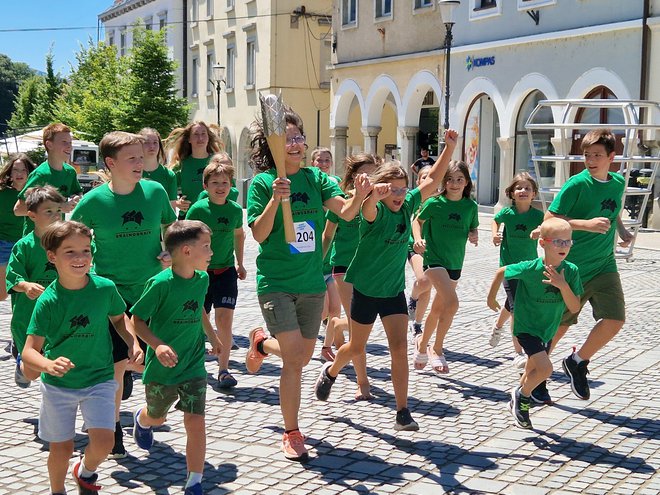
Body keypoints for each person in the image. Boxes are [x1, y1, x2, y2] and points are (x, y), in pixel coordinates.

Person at [244, 106, 371, 461]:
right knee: (296, 363)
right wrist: (275, 199)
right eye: (288, 139)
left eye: (299, 137)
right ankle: (292, 430)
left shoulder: (316, 179)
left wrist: (359, 196)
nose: (296, 144)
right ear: (273, 146)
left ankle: (261, 344)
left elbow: (345, 212)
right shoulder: (262, 183)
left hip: (312, 282)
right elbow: (258, 232)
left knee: (299, 355)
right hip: (276, 283)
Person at [314, 129, 459, 433]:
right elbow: (365, 209)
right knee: (355, 346)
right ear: (380, 190)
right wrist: (369, 195)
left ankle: (402, 411)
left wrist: (449, 147)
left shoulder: (407, 205)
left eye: (402, 189)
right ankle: (331, 371)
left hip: (393, 292)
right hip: (365, 291)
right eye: (390, 189)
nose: (397, 195)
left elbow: (432, 181)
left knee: (399, 349)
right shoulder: (373, 211)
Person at [72, 130, 175, 458]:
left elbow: (170, 228)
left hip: (151, 290)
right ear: (111, 163)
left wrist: (170, 252)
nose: (140, 162)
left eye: (141, 156)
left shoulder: (156, 192)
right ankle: (113, 427)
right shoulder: (93, 202)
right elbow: (72, 239)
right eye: (131, 158)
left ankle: (144, 416)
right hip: (111, 293)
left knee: (156, 364)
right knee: (118, 363)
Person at [21, 220, 139, 495]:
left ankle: (84, 471)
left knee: (104, 442)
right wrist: (48, 364)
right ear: (52, 256)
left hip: (99, 378)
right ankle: (57, 490)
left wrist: (132, 343)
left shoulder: (105, 288)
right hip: (59, 386)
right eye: (70, 252)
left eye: (86, 250)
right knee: (61, 449)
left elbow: (120, 318)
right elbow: (29, 351)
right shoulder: (48, 300)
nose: (80, 258)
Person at [131, 220, 222, 495]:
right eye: (206, 246)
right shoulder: (160, 284)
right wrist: (157, 346)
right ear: (185, 250)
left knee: (195, 422)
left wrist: (212, 336)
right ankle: (143, 420)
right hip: (162, 367)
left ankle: (194, 481)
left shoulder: (203, 279)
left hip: (193, 363)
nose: (211, 252)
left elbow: (198, 310)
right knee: (158, 417)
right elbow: (137, 320)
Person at [545, 128, 628, 401]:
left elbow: (610, 211)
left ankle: (577, 361)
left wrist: (622, 231)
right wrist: (585, 225)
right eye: (586, 154)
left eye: (597, 155)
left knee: (615, 319)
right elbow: (549, 219)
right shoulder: (576, 185)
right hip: (573, 267)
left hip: (605, 265)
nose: (590, 160)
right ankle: (535, 377)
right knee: (558, 327)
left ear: (611, 157)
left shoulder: (617, 182)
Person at [487, 217, 582, 429]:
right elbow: (501, 272)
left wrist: (563, 285)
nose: (563, 246)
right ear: (543, 243)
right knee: (545, 370)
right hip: (526, 328)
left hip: (547, 330)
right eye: (557, 241)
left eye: (568, 241)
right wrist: (491, 297)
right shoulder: (531, 268)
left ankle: (518, 398)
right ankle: (523, 396)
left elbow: (574, 307)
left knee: (532, 372)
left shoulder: (572, 271)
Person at [321, 152, 380, 398]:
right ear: (354, 177)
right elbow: (327, 235)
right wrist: (317, 264)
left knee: (366, 323)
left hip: (371, 268)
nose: (369, 179)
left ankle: (335, 323)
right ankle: (362, 382)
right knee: (359, 334)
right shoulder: (341, 202)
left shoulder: (380, 203)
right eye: (364, 174)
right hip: (344, 267)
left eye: (373, 174)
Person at [412, 160, 478, 374]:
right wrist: (418, 239)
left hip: (455, 263)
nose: (455, 183)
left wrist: (474, 234)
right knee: (452, 303)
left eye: (460, 179)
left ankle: (422, 345)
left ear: (467, 182)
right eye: (450, 179)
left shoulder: (471, 206)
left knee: (439, 308)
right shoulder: (435, 203)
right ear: (444, 182)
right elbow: (416, 221)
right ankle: (436, 348)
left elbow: (472, 227)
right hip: (434, 259)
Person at [186, 156, 246, 388]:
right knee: (199, 319)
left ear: (231, 185)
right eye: (215, 183)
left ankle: (224, 369)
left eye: (224, 183)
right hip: (201, 273)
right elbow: (185, 238)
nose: (220, 187)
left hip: (226, 271)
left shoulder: (233, 210)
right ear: (205, 186)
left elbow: (239, 235)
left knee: (225, 320)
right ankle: (196, 363)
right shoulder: (198, 209)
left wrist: (240, 263)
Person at [6, 186, 65, 388]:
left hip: (59, 315)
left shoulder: (67, 243)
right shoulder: (24, 246)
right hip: (28, 317)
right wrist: (26, 285)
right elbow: (12, 276)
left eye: (58, 210)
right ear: (32, 215)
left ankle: (56, 403)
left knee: (55, 365)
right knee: (32, 373)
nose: (56, 215)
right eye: (48, 211)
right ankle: (23, 364)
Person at [489, 172, 545, 372]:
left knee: (512, 304)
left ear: (534, 193)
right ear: (512, 193)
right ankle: (519, 353)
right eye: (518, 188)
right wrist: (495, 234)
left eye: (527, 188)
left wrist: (542, 231)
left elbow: (549, 226)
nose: (523, 191)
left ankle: (497, 326)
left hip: (530, 269)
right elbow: (495, 220)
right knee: (518, 309)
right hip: (510, 268)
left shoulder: (538, 215)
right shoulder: (507, 213)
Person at [13, 123, 83, 234]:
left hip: (56, 236)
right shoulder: (40, 175)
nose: (69, 146)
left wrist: (76, 198)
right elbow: (18, 209)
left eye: (70, 142)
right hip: (36, 240)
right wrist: (59, 207)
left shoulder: (70, 172)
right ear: (49, 145)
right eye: (64, 142)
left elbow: (78, 193)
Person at [406, 165, 439, 338]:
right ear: (418, 181)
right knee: (424, 280)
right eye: (424, 177)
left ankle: (417, 324)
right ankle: (412, 299)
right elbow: (413, 222)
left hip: (435, 252)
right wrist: (417, 239)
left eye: (431, 177)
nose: (428, 180)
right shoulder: (413, 200)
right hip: (414, 247)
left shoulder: (442, 201)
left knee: (427, 288)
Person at [167, 121, 223, 217]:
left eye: (203, 134)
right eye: (196, 134)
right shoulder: (180, 165)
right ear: (189, 139)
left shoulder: (219, 162)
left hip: (214, 217)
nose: (200, 138)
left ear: (208, 137)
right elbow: (165, 193)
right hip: (188, 218)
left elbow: (232, 190)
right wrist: (177, 203)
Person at [0, 153, 35, 301]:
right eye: (15, 170)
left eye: (23, 170)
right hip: (4, 245)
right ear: (10, 173)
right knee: (2, 294)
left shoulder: (36, 194)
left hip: (28, 247)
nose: (19, 174)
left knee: (26, 292)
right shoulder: (2, 193)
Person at [139, 127, 179, 210]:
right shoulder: (131, 172)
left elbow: (171, 208)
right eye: (146, 142)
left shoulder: (169, 175)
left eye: (155, 142)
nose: (152, 146)